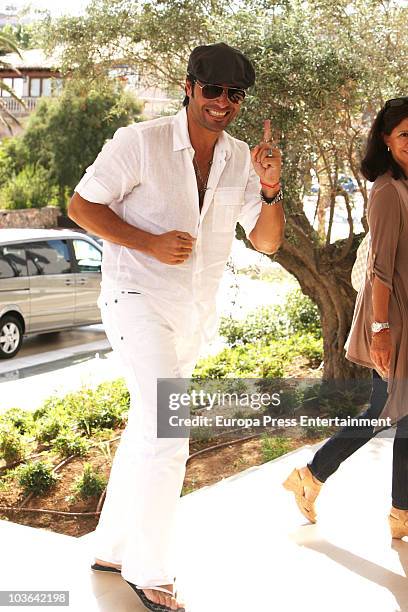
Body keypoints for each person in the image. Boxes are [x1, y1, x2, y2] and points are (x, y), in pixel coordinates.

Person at [69, 42, 285, 612]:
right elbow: (81, 206)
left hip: (192, 313)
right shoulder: (137, 143)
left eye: (235, 93)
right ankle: (151, 570)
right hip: (136, 298)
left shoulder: (242, 158)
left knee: (148, 426)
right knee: (169, 429)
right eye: (212, 89)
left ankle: (112, 547)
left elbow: (266, 241)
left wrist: (269, 188)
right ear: (189, 87)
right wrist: (149, 242)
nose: (223, 102)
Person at [283, 97, 408, 540]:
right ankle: (315, 477)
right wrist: (380, 330)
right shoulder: (388, 191)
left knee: (394, 414)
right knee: (386, 412)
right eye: (405, 135)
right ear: (386, 141)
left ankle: (392, 510)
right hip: (393, 320)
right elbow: (379, 269)